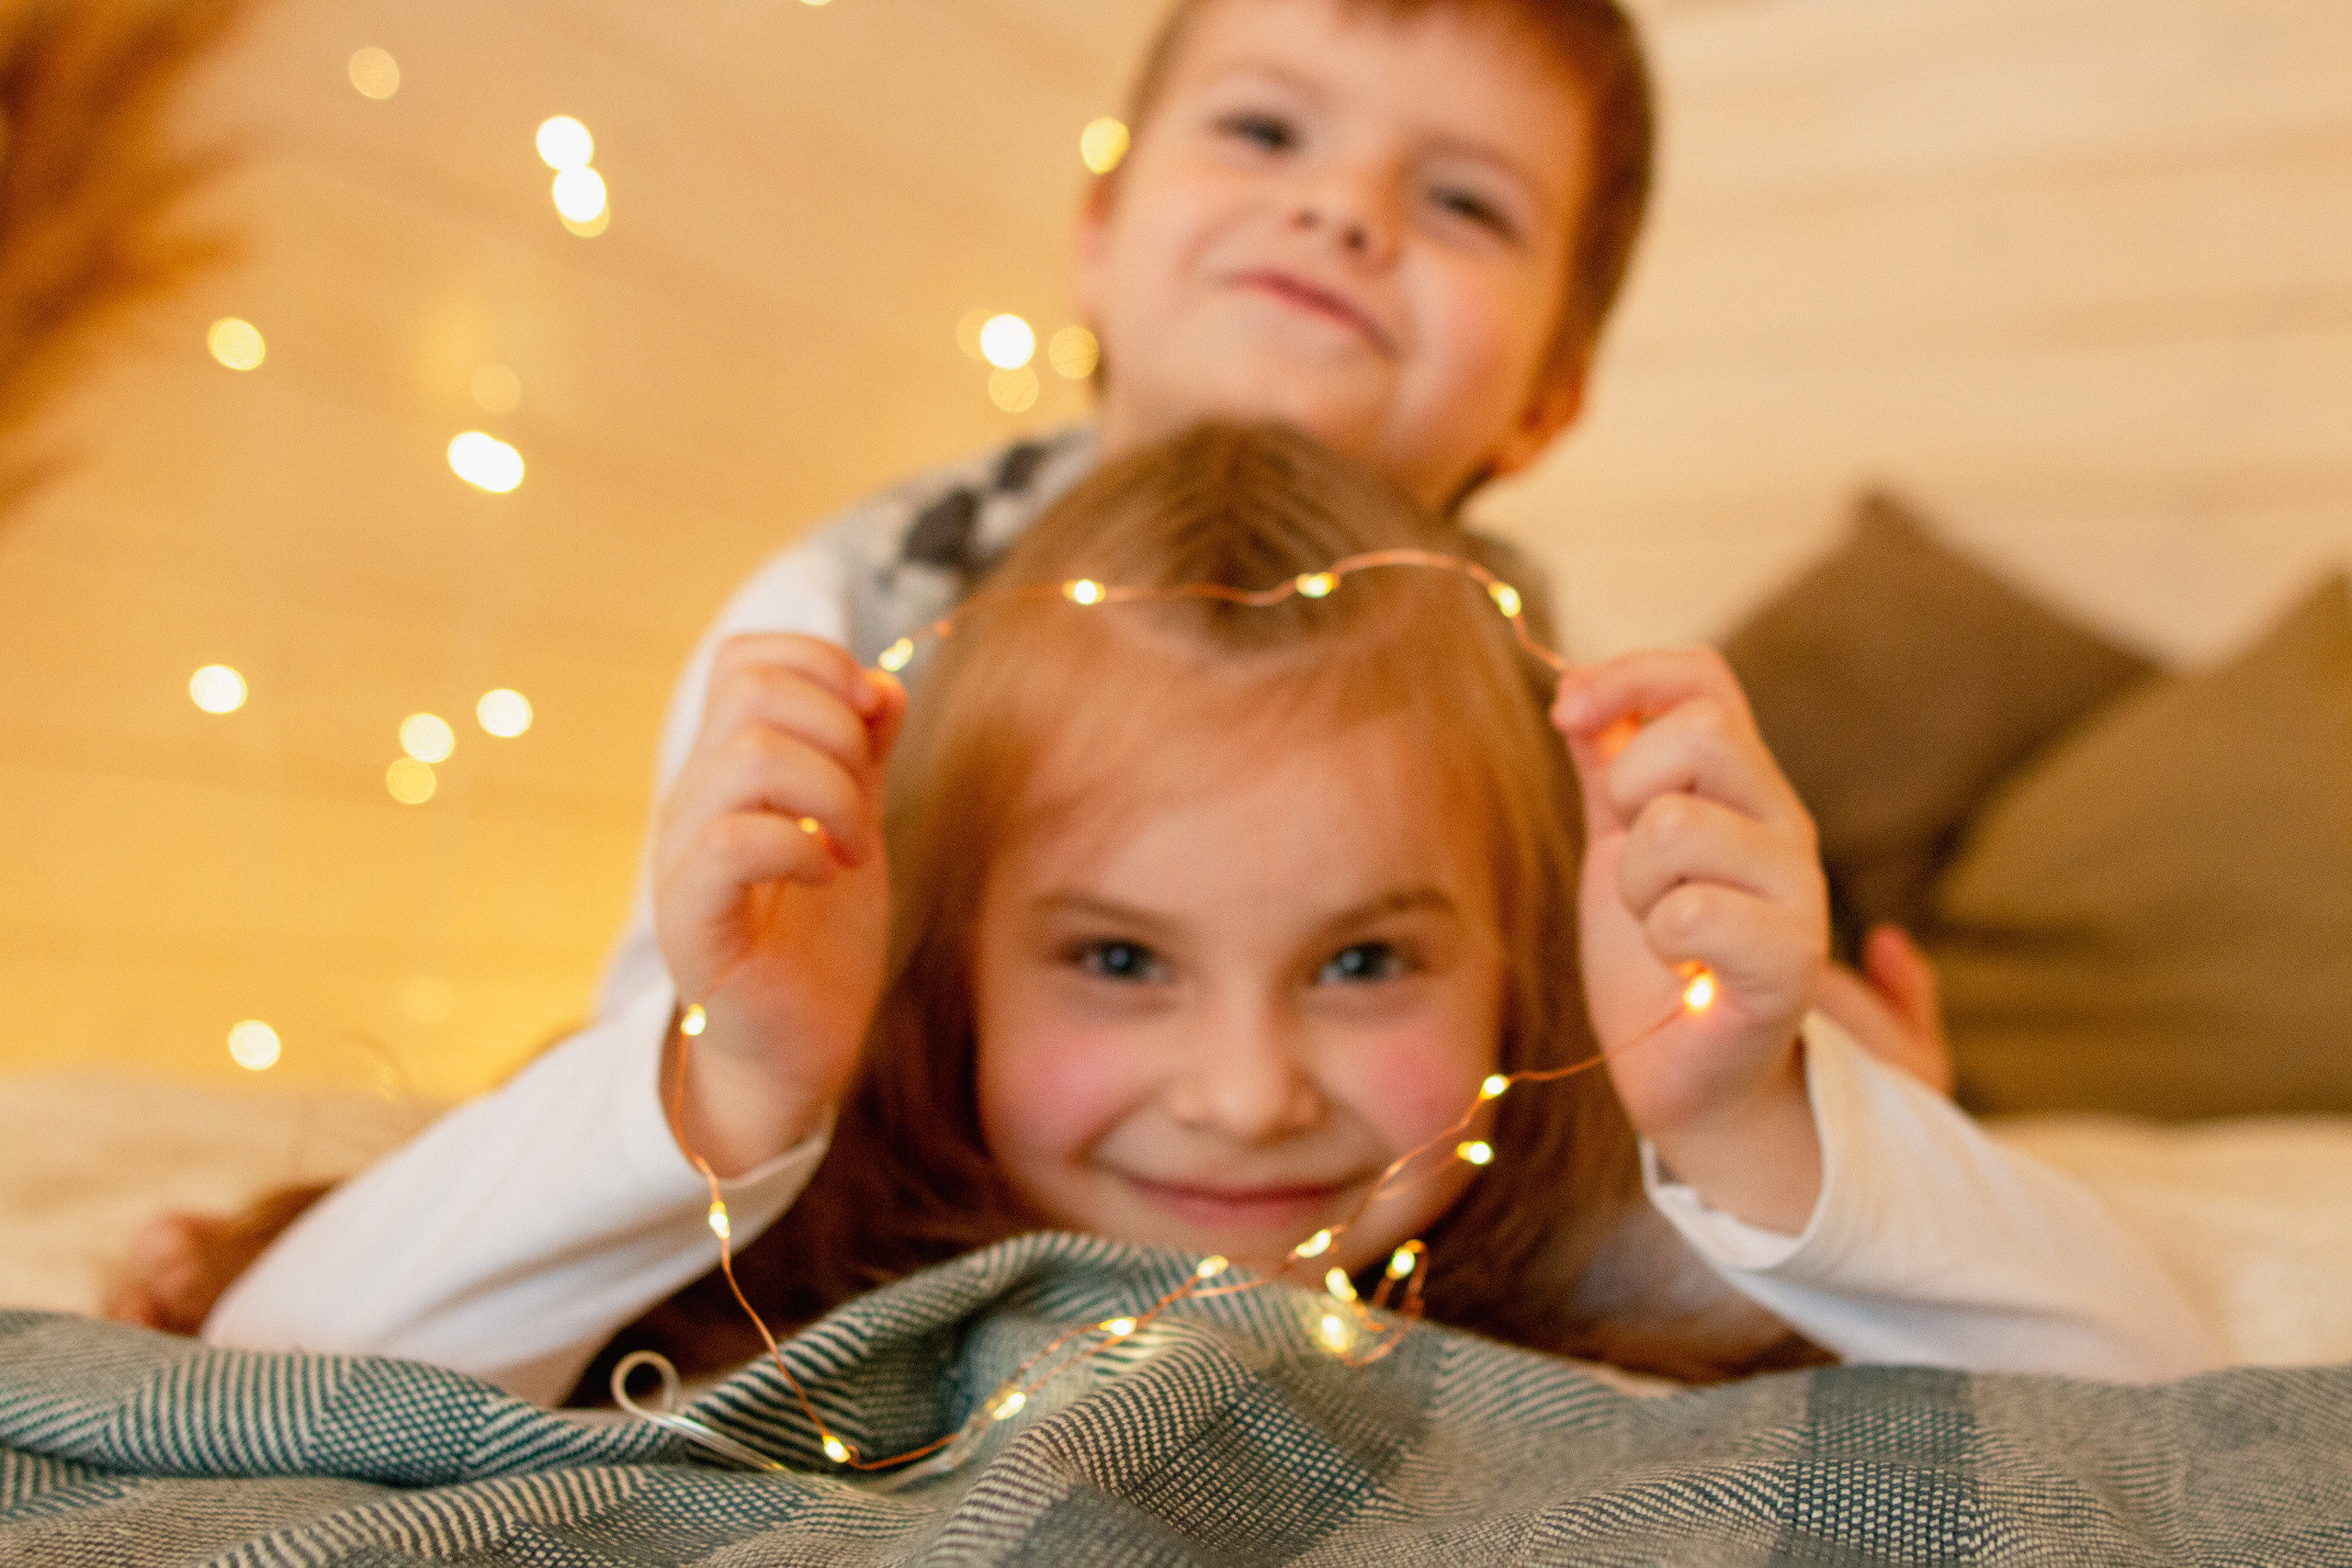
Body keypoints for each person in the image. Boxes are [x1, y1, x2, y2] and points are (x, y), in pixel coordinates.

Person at [111, 0, 1944, 1341]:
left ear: (1548, 391)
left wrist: (1841, 1156)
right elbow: (667, 1070)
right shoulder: (846, 604)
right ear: (1092, 237)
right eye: (1262, 132)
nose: (1341, 213)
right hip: (850, 1161)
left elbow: (1570, 1111)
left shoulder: (1539, 696)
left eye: (1460, 202)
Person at [200, 425, 2220, 1409]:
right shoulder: (808, 1194)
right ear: (945, 956)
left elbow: (2157, 1380)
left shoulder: (1555, 1188)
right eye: (1113, 956)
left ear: (1512, 954)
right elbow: (271, 1371)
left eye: (1363, 958)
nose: (1249, 1095)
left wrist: (1754, 1118)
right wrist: (740, 1066)